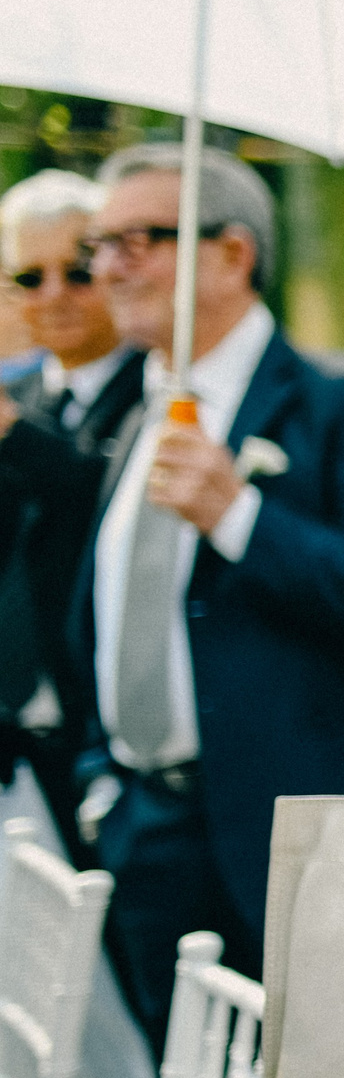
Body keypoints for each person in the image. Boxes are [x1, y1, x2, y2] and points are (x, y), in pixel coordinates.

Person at [75, 145, 344, 1050]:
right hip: (145, 834)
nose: (108, 264)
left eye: (140, 239)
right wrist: (102, 784)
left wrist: (236, 513)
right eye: (100, 242)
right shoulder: (132, 409)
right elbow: (94, 615)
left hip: (292, 847)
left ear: (232, 254)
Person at [0, 169, 144, 852]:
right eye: (30, 278)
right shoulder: (24, 395)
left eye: (77, 271)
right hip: (24, 737)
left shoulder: (156, 384)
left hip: (113, 740)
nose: (54, 295)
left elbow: (100, 491)